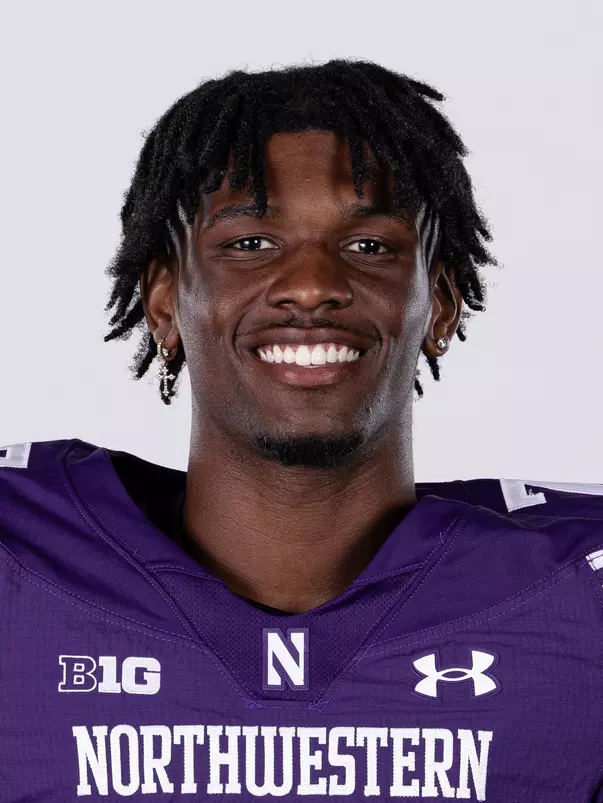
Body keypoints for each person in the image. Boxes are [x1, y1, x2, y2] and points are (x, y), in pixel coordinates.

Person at [1, 59, 602, 802]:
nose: (312, 284)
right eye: (250, 243)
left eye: (369, 246)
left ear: (440, 306)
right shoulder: (20, 555)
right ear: (163, 302)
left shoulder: (579, 593)